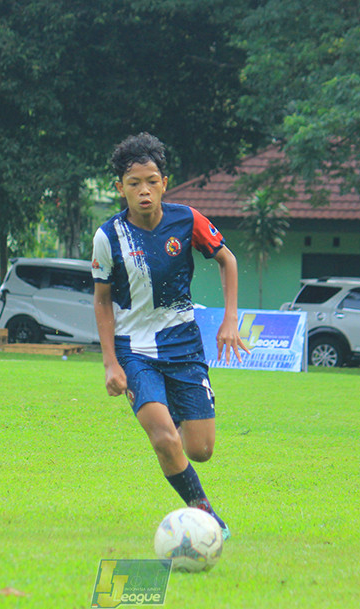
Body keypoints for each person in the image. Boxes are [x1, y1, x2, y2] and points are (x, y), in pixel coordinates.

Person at [91, 132, 249, 542]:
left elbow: (227, 261)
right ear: (119, 188)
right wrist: (110, 361)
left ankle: (173, 433)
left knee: (199, 450)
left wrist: (230, 319)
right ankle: (206, 515)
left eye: (151, 181)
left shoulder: (187, 220)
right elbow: (103, 301)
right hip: (134, 352)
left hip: (183, 346)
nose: (143, 191)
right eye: (133, 184)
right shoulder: (108, 237)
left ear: (164, 182)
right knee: (163, 438)